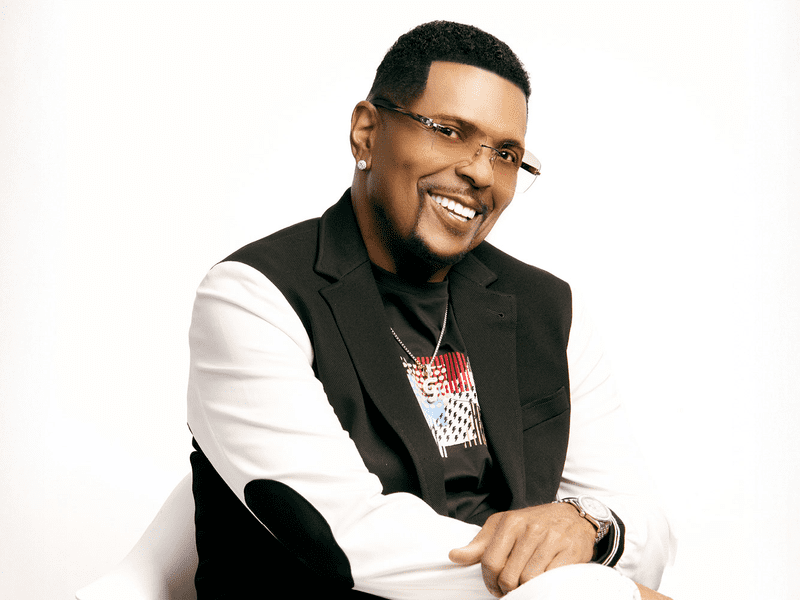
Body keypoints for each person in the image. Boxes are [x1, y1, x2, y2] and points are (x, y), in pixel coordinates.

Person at [187, 21, 676, 600]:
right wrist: (581, 588)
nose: (481, 172)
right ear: (366, 133)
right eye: (449, 131)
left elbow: (646, 530)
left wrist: (588, 526)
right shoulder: (253, 296)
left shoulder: (548, 309)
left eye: (507, 154)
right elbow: (345, 538)